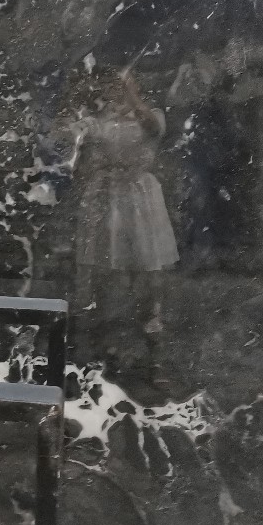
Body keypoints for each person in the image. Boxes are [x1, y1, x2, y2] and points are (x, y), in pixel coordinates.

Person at [67, 67, 178, 369]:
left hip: (141, 197)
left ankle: (152, 336)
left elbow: (154, 129)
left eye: (121, 84)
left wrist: (133, 98)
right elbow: (75, 139)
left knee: (148, 268)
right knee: (105, 268)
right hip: (107, 196)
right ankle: (105, 345)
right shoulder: (98, 120)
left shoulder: (150, 115)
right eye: (109, 84)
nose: (113, 89)